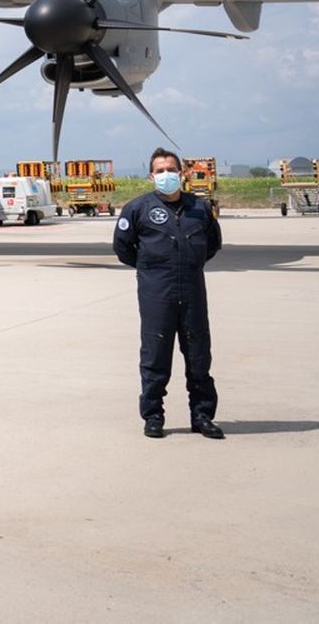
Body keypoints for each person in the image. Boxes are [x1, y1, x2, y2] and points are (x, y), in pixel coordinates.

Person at [113, 147, 224, 439]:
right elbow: (122, 248)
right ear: (151, 175)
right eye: (160, 171)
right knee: (155, 357)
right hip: (156, 293)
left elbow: (212, 244)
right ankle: (153, 417)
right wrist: (151, 269)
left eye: (171, 170)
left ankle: (201, 416)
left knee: (199, 356)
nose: (166, 175)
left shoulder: (199, 208)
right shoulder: (137, 209)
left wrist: (187, 263)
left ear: (182, 173)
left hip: (191, 290)